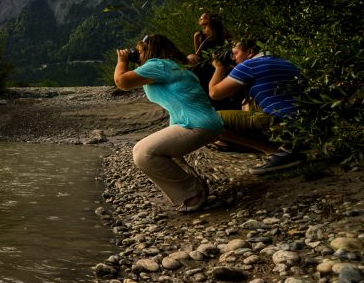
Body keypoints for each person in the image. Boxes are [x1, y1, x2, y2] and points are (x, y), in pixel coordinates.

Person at [114, 34, 223, 212]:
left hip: (196, 124)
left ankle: (193, 193)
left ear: (150, 50)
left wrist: (122, 60)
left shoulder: (158, 65)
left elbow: (122, 82)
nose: (137, 54)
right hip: (204, 122)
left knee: (142, 152)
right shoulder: (172, 66)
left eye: (139, 50)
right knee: (166, 153)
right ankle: (194, 186)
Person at [208, 38, 305, 174]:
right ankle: (287, 147)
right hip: (303, 124)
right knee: (249, 102)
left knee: (208, 120)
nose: (233, 58)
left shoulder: (249, 65)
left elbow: (215, 93)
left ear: (250, 52)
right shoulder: (285, 61)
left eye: (235, 53)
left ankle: (278, 152)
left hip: (281, 124)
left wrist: (219, 67)